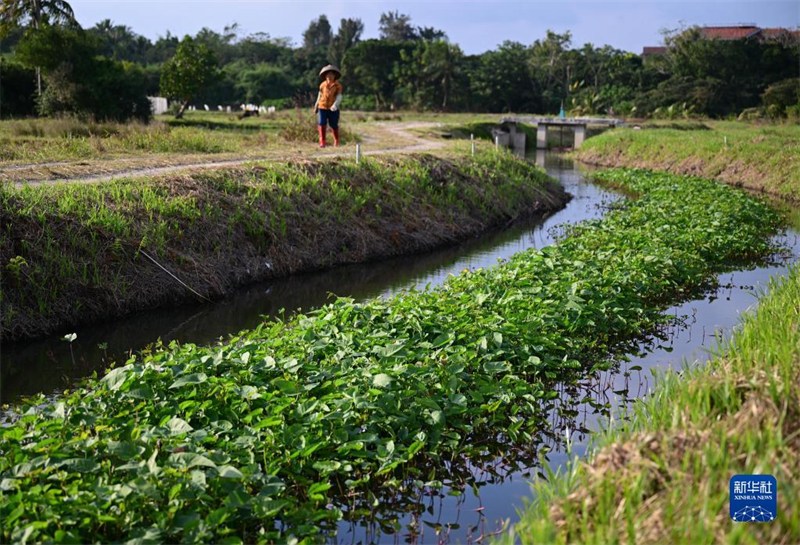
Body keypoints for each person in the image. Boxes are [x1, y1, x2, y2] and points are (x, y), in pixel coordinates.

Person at [312, 64, 343, 147]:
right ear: (325, 75)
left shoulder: (338, 86)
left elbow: (339, 97)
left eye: (331, 74)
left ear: (334, 76)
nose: (329, 76)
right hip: (322, 106)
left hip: (333, 108)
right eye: (328, 74)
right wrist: (316, 105)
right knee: (321, 123)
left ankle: (336, 140)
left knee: (333, 124)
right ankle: (322, 142)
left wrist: (335, 105)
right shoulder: (322, 85)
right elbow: (320, 95)